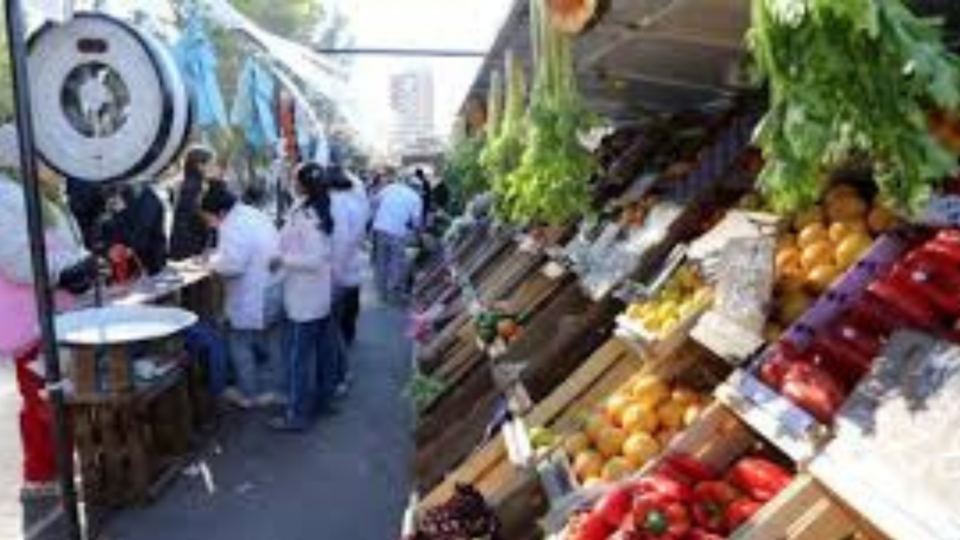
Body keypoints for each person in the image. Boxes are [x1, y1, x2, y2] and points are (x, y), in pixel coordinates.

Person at [0, 125, 96, 498]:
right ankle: (41, 476)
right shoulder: (7, 195)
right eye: (44, 156)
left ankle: (59, 467)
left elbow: (62, 244)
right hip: (30, 319)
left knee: (56, 396)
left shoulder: (38, 193)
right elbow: (14, 258)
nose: (53, 163)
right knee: (41, 399)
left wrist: (82, 263)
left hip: (54, 311)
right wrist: (65, 271)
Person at [199, 183, 283, 409]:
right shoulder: (251, 213)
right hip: (274, 285)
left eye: (208, 217)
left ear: (220, 212)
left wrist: (211, 263)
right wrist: (218, 256)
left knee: (238, 341)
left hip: (256, 293)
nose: (208, 222)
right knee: (273, 341)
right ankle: (279, 389)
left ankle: (249, 393)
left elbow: (234, 265)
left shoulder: (232, 225)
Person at [269, 163, 336, 430]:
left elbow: (315, 259)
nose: (291, 181)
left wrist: (282, 260)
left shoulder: (310, 215)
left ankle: (297, 415)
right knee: (320, 354)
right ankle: (321, 402)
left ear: (304, 184)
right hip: (311, 295)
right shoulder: (307, 207)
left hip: (306, 299)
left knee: (300, 360)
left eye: (294, 178)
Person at [327, 164, 371, 392]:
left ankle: (341, 373)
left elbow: (341, 241)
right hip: (351, 264)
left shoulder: (335, 203)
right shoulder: (354, 200)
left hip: (340, 270)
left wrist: (335, 273)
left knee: (333, 327)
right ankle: (348, 339)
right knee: (347, 310)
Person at [372, 176, 423, 304]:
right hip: (397, 231)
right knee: (396, 261)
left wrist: (380, 214)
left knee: (381, 261)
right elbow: (416, 222)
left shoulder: (392, 187)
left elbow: (375, 201)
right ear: (417, 188)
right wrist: (418, 236)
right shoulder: (415, 198)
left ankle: (381, 293)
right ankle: (393, 292)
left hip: (379, 227)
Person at [101, 182, 168, 276]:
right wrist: (110, 248)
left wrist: (128, 249)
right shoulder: (114, 198)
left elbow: (143, 229)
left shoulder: (144, 198)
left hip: (151, 258)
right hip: (136, 261)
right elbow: (110, 227)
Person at [170, 146, 216, 261]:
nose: (212, 168)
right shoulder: (195, 185)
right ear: (199, 165)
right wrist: (207, 219)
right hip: (189, 243)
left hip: (180, 240)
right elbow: (189, 211)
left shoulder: (184, 182)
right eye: (210, 164)